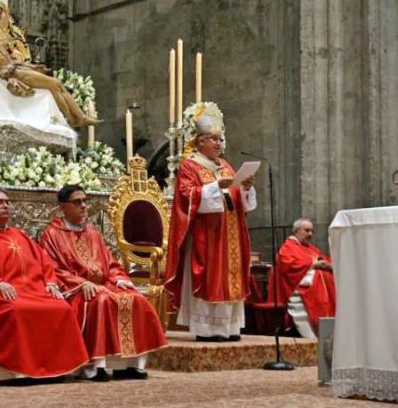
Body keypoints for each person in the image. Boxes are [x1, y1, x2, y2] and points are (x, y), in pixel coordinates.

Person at [0, 187, 89, 381]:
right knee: (17, 309)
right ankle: (15, 372)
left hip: (34, 290)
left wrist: (50, 283)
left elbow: (44, 260)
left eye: (7, 202)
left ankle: (55, 369)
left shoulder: (19, 235)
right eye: (0, 202)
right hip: (1, 293)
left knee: (61, 308)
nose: (6, 205)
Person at [39, 185, 168, 381]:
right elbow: (52, 268)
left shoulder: (93, 233)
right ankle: (94, 367)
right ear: (63, 207)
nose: (83, 206)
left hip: (103, 284)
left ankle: (129, 365)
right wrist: (81, 283)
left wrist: (120, 279)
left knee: (136, 299)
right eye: (77, 202)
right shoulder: (52, 234)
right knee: (101, 302)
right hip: (77, 290)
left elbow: (110, 263)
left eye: (85, 201)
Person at [165, 102, 257, 342]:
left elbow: (241, 201)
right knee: (210, 278)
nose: (219, 144)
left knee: (231, 278)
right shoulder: (189, 166)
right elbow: (187, 197)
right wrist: (216, 187)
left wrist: (246, 188)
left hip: (232, 233)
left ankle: (230, 328)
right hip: (208, 234)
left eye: (220, 140)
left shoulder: (226, 165)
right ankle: (208, 329)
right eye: (214, 139)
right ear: (200, 141)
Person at [0, 0, 100, 128]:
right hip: (14, 74)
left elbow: (13, 57)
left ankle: (78, 118)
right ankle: (76, 119)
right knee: (54, 83)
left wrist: (26, 63)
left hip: (18, 68)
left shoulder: (0, 39)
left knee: (57, 85)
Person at [275, 218, 336, 339]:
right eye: (307, 230)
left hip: (322, 292)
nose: (310, 234)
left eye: (312, 231)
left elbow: (324, 260)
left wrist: (329, 266)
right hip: (306, 293)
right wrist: (313, 266)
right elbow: (288, 267)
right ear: (296, 231)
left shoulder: (312, 248)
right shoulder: (287, 248)